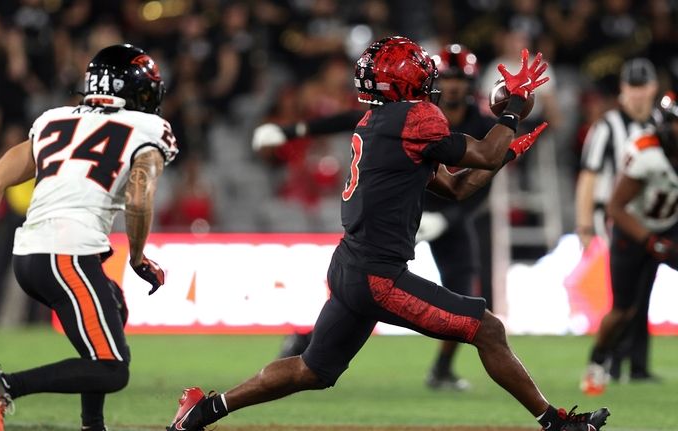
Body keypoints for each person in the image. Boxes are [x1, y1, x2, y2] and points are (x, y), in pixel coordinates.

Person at [167, 36, 609, 431]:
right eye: (420, 67)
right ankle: (555, 423)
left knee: (310, 372)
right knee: (487, 328)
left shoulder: (378, 124)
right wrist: (512, 112)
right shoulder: (416, 118)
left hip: (351, 266)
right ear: (404, 78)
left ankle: (203, 412)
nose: (429, 74)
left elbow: (455, 186)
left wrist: (504, 152)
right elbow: (482, 154)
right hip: (377, 275)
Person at [0, 44, 178, 431]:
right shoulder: (149, 129)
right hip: (66, 256)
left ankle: (93, 424)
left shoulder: (54, 120)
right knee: (112, 369)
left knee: (114, 308)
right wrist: (138, 258)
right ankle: (3, 386)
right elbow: (139, 200)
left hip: (30, 257)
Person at [253, 44, 496, 391]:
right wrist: (295, 131)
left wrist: (450, 218)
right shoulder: (411, 115)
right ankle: (306, 340)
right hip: (395, 215)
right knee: (372, 292)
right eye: (450, 77)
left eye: (461, 78)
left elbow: (471, 185)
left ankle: (443, 367)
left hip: (443, 213)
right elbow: (488, 156)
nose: (455, 85)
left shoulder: (457, 119)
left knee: (461, 288)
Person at [581, 92, 678, 396]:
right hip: (632, 232)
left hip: (670, 225)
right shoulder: (647, 153)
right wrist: (650, 241)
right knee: (623, 310)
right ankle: (597, 362)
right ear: (665, 126)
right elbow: (616, 208)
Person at [575, 58, 660, 385]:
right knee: (625, 297)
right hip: (614, 218)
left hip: (652, 220)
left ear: (652, 87)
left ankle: (636, 365)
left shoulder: (659, 124)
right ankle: (613, 361)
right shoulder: (607, 126)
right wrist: (584, 225)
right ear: (623, 89)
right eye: (632, 87)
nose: (638, 94)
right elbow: (589, 177)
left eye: (643, 86)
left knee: (643, 292)